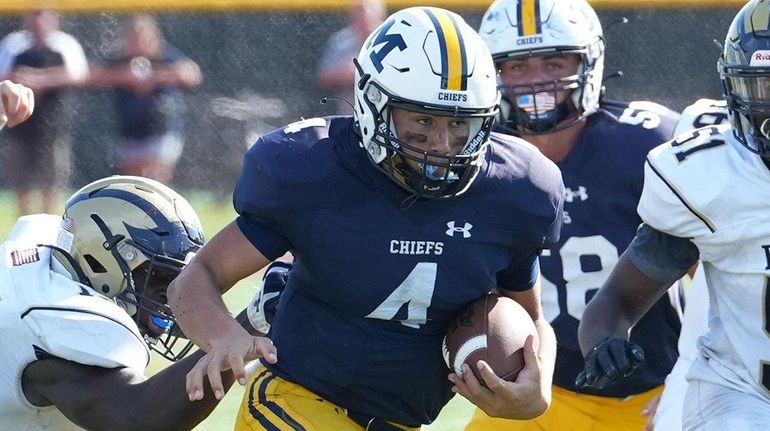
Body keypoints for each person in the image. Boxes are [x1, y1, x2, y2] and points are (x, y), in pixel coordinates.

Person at [169, 6, 564, 430]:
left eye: (459, 124)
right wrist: (223, 334)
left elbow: (531, 315)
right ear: (374, 106)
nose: (442, 144)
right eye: (423, 121)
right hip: (295, 399)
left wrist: (536, 387)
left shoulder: (519, 189)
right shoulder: (314, 169)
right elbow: (198, 276)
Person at [462, 1, 685, 430]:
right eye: (517, 67)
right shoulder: (479, 158)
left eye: (554, 62)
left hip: (655, 390)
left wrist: (696, 376)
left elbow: (715, 269)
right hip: (546, 392)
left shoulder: (650, 145)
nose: (537, 81)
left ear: (589, 62)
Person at [577, 1, 770, 429]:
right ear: (734, 89)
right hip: (744, 395)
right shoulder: (710, 175)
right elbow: (616, 301)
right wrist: (605, 343)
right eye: (766, 91)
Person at [0, 175, 259, 430]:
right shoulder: (53, 321)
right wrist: (252, 321)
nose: (172, 295)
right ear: (98, 263)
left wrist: (221, 329)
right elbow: (141, 420)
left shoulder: (48, 262)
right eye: (159, 277)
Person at [87, 14, 202, 184]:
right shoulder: (120, 60)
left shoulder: (163, 57)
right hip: (131, 131)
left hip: (162, 129)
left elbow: (191, 74)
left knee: (157, 179)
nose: (138, 40)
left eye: (142, 35)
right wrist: (126, 77)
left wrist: (153, 77)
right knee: (134, 182)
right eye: (134, 36)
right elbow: (92, 76)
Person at [0, 9, 88, 216]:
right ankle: (24, 227)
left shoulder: (64, 44)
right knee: (21, 184)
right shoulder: (14, 44)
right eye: (34, 14)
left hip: (54, 126)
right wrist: (22, 79)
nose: (39, 21)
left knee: (52, 183)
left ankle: (48, 231)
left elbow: (80, 75)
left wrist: (41, 79)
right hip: (19, 127)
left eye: (43, 14)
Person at [316, 0, 385, 114]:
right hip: (349, 112)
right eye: (358, 14)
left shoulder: (388, 39)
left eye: (367, 14)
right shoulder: (342, 42)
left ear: (379, 15)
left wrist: (363, 72)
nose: (363, 19)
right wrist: (343, 73)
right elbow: (323, 76)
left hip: (383, 109)